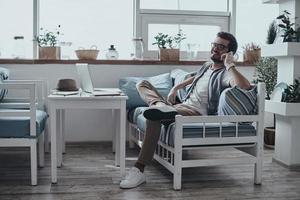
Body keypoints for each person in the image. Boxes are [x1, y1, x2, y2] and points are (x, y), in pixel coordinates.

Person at [120, 31, 251, 189]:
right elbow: (195, 77)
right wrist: (176, 87)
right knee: (142, 84)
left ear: (229, 53)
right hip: (178, 107)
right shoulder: (206, 66)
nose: (215, 49)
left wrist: (230, 64)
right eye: (214, 45)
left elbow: (244, 86)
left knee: (153, 117)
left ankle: (139, 170)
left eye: (221, 47)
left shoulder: (225, 74)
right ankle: (160, 106)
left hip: (194, 113)